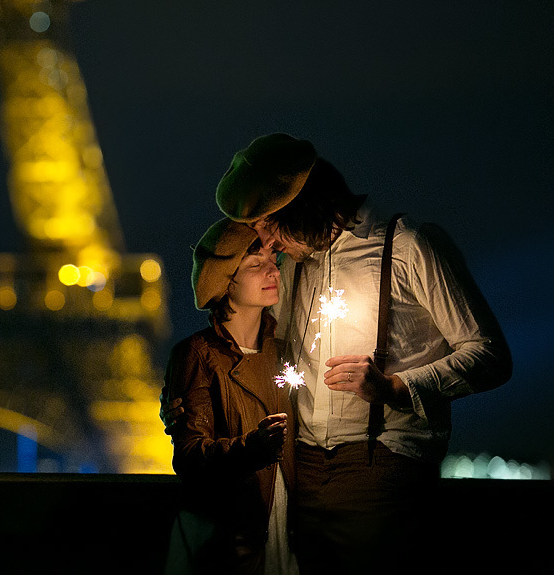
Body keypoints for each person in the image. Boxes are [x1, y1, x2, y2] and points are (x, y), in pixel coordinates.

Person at [163, 133, 512, 575]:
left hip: (380, 466)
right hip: (298, 472)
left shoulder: (409, 246)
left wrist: (395, 386)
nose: (265, 240)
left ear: (302, 205)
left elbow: (490, 355)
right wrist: (190, 383)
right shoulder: (294, 264)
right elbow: (249, 336)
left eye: (269, 223)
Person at [162, 216, 298, 575]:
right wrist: (254, 446)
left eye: (274, 262)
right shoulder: (196, 355)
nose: (273, 272)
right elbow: (190, 456)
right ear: (225, 282)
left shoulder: (285, 352)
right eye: (256, 265)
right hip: (231, 540)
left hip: (284, 530)